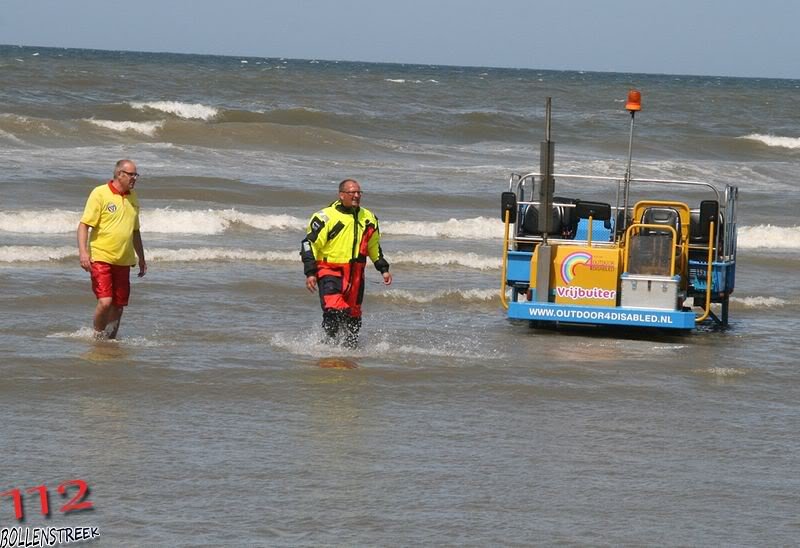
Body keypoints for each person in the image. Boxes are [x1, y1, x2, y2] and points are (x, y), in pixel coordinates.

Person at [301, 179, 392, 347]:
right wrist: (310, 273)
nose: (356, 196)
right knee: (335, 312)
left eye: (359, 192)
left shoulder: (369, 218)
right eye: (352, 193)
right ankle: (327, 348)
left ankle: (349, 354)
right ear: (341, 195)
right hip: (330, 272)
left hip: (356, 277)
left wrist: (383, 268)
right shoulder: (325, 216)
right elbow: (309, 244)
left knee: (353, 319)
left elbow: (373, 245)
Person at [77, 159, 147, 339]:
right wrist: (83, 252)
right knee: (106, 302)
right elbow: (84, 225)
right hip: (101, 257)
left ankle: (110, 339)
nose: (135, 178)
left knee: (119, 305)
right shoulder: (100, 193)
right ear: (119, 174)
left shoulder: (133, 197)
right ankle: (98, 336)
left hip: (124, 260)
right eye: (132, 174)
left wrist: (141, 257)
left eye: (136, 175)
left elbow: (135, 231)